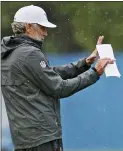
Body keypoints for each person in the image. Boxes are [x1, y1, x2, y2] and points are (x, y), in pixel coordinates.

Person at [1, 5, 114, 151]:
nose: (46, 33)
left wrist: (84, 64)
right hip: (43, 138)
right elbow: (60, 88)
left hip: (22, 139)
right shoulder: (30, 53)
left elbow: (48, 74)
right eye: (42, 27)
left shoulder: (8, 53)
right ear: (28, 27)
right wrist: (95, 73)